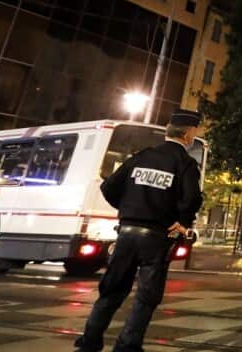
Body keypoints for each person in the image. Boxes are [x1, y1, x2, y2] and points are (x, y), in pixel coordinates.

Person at [75, 110, 204, 352]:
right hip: (157, 237)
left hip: (126, 233)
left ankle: (89, 342)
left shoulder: (141, 157)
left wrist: (126, 208)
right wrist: (183, 222)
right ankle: (127, 346)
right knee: (146, 296)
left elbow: (109, 186)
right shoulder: (185, 164)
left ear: (168, 131)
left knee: (111, 290)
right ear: (187, 135)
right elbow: (193, 198)